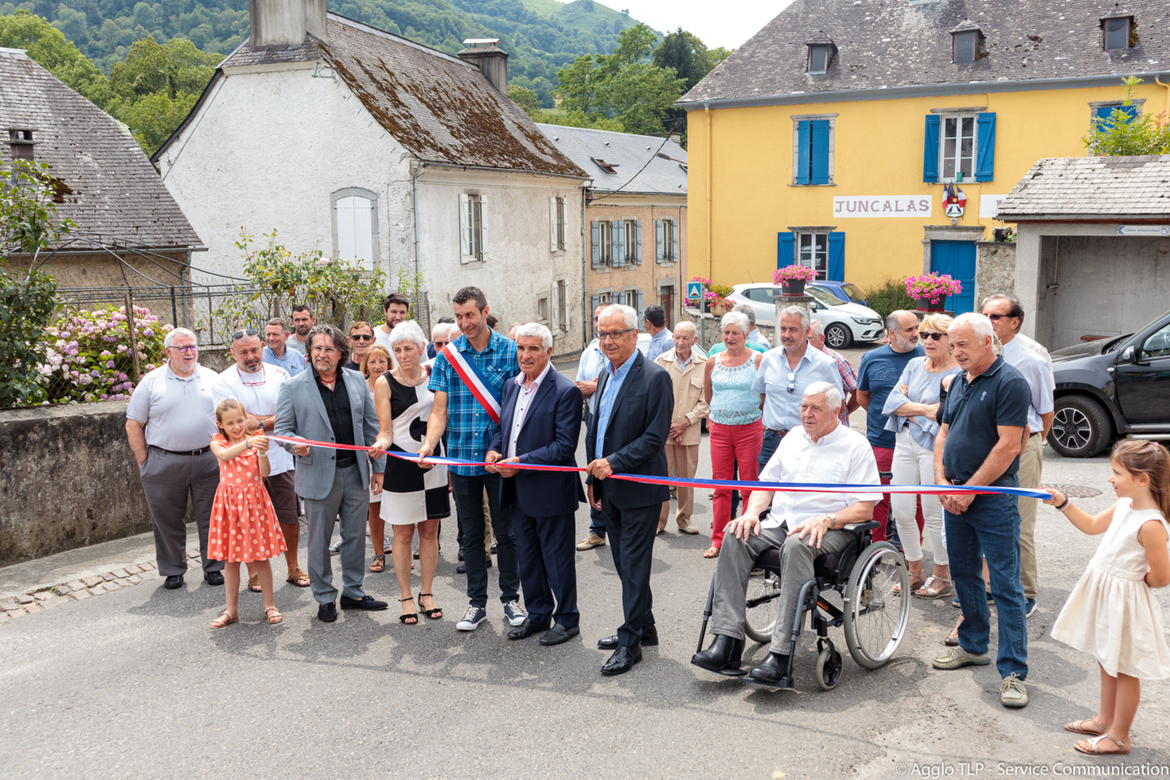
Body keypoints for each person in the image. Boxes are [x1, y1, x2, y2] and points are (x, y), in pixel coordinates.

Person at [691, 382, 880, 684]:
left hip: (833, 528)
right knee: (735, 535)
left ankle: (780, 654)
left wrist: (827, 519)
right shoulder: (793, 437)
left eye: (815, 408)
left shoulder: (856, 446)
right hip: (782, 521)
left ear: (836, 411)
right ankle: (727, 641)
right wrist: (751, 513)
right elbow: (766, 486)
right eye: (804, 407)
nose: (806, 414)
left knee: (796, 545)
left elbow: (865, 509)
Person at [931, 312, 1032, 709]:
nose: (955, 352)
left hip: (992, 499)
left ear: (988, 341)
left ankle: (1013, 672)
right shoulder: (958, 381)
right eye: (952, 345)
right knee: (964, 577)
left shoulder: (1011, 382)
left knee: (1005, 586)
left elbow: (1010, 446)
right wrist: (941, 482)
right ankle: (973, 646)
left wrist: (969, 491)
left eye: (962, 345)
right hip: (954, 496)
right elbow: (943, 433)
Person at [1044, 440, 1170, 756]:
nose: (1110, 479)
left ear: (1143, 479)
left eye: (1117, 473)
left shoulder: (1151, 524)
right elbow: (1090, 526)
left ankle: (1119, 736)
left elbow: (1162, 576)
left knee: (1125, 667)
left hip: (1127, 602)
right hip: (1108, 594)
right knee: (1106, 656)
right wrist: (1062, 503)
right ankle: (1104, 720)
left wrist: (1138, 578)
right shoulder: (1126, 505)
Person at [419, 286, 526, 632]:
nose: (464, 322)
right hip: (462, 461)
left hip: (500, 461)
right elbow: (439, 411)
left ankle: (511, 599)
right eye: (459, 316)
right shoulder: (448, 357)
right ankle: (475, 603)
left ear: (484, 311)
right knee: (470, 537)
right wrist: (429, 446)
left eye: (470, 315)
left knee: (507, 534)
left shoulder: (512, 352)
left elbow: (519, 409)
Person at [274, 324, 388, 623]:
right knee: (319, 541)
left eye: (328, 349)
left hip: (355, 472)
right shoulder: (293, 386)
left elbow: (370, 427)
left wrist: (379, 468)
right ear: (309, 352)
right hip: (317, 475)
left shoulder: (355, 380)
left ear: (341, 353)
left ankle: (353, 592)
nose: (321, 354)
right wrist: (292, 443)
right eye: (316, 348)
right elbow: (284, 430)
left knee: (353, 536)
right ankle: (325, 597)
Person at [585, 303, 673, 676]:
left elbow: (654, 438)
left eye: (615, 333)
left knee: (633, 566)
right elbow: (599, 432)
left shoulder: (655, 378)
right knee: (624, 565)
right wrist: (594, 480)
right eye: (603, 334)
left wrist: (614, 464)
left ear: (635, 335)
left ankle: (629, 642)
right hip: (610, 486)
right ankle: (645, 626)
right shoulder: (606, 375)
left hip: (640, 488)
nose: (607, 341)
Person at [486, 323, 586, 645]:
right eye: (520, 348)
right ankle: (539, 614)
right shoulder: (512, 386)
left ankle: (567, 619)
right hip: (516, 489)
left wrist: (519, 463)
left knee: (557, 562)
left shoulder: (564, 390)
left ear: (548, 351)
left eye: (533, 349)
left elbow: (563, 447)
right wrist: (495, 449)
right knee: (528, 558)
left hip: (550, 491)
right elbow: (504, 428)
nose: (525, 355)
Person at [125, 327, 224, 590]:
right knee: (167, 519)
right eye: (182, 347)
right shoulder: (151, 381)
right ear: (168, 351)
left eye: (192, 346)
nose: (189, 352)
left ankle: (214, 566)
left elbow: (228, 418)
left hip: (208, 459)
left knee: (213, 516)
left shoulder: (213, 379)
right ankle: (173, 570)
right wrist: (144, 462)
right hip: (164, 460)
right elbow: (134, 423)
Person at [213, 328, 308, 591]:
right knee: (248, 520)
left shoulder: (280, 375)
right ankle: (253, 571)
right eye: (243, 352)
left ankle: (293, 567)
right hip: (242, 465)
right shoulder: (223, 381)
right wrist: (268, 422)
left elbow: (293, 413)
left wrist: (262, 422)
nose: (250, 356)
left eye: (255, 349)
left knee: (288, 514)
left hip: (279, 456)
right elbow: (232, 425)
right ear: (233, 353)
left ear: (263, 346)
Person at [983, 293, 1054, 618]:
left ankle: (1025, 592)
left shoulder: (1031, 359)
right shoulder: (980, 352)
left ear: (1015, 321)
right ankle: (992, 585)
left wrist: (1030, 447)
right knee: (989, 518)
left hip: (1023, 445)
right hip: (987, 445)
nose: (989, 321)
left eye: (996, 316)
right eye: (985, 315)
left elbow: (1045, 413)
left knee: (1020, 522)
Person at [373, 323, 450, 624]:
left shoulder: (435, 374)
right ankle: (406, 596)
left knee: (429, 532)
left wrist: (430, 447)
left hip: (432, 463)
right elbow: (385, 431)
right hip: (402, 465)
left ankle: (427, 593)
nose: (403, 355)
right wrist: (379, 445)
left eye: (408, 348)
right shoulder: (384, 383)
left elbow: (440, 413)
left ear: (421, 347)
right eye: (397, 350)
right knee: (403, 534)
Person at [881, 314, 960, 599]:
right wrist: (925, 410)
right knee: (901, 509)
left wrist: (911, 408)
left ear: (951, 340)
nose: (927, 340)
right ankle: (915, 570)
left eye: (935, 335)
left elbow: (947, 417)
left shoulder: (957, 375)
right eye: (924, 334)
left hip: (934, 448)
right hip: (903, 443)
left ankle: (942, 575)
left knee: (934, 513)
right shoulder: (914, 365)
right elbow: (891, 402)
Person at [207, 399, 287, 628]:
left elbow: (265, 473)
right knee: (231, 560)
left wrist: (262, 452)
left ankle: (269, 605)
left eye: (240, 421)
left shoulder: (254, 440)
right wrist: (249, 443)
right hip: (229, 505)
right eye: (230, 423)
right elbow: (224, 456)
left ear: (246, 419)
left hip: (254, 504)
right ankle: (231, 610)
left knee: (260, 557)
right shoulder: (218, 441)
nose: (236, 426)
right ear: (220, 424)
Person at [855, 311, 925, 542]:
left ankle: (909, 551)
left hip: (917, 442)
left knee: (914, 500)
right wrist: (886, 418)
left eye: (916, 328)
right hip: (881, 440)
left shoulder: (926, 357)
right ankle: (877, 546)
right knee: (879, 497)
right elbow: (863, 396)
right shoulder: (872, 358)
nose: (916, 334)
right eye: (909, 330)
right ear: (892, 333)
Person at [751, 305, 842, 470]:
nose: (786, 335)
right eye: (783, 329)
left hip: (811, 440)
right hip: (773, 441)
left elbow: (837, 406)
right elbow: (763, 395)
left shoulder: (826, 364)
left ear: (806, 331)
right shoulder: (768, 359)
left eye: (793, 329)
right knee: (766, 494)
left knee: (805, 494)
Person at [703, 311, 764, 558]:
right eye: (726, 332)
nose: (730, 337)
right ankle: (718, 540)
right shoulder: (713, 361)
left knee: (749, 487)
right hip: (719, 429)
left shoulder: (759, 359)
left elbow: (764, 396)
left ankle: (746, 542)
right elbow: (709, 396)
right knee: (721, 487)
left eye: (735, 333)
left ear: (746, 334)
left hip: (749, 429)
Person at [654, 320, 707, 535]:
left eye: (685, 338)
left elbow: (707, 400)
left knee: (686, 478)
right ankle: (658, 521)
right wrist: (668, 425)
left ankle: (684, 519)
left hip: (690, 430)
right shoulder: (661, 362)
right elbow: (654, 398)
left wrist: (685, 422)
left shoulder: (705, 364)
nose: (680, 342)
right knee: (661, 478)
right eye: (677, 337)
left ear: (694, 340)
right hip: (664, 431)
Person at [575, 303, 610, 552]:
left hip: (617, 423)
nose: (598, 323)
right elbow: (578, 386)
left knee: (615, 472)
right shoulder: (589, 352)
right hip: (594, 418)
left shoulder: (621, 351)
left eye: (603, 319)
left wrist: (597, 385)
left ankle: (618, 525)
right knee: (593, 474)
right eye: (596, 318)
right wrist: (590, 386)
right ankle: (597, 530)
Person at [361, 344, 393, 574]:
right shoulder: (360, 389)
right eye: (372, 361)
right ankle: (379, 553)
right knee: (375, 506)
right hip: (370, 454)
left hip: (395, 451)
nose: (377, 366)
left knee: (399, 504)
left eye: (382, 361)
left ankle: (401, 549)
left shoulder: (397, 384)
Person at [808, 320, 857, 427]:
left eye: (808, 339)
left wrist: (844, 411)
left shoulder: (838, 362)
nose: (804, 343)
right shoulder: (801, 361)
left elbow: (857, 394)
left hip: (834, 428)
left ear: (821, 339)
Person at [373, 292, 410, 366]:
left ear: (407, 312)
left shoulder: (414, 337)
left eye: (402, 312)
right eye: (394, 312)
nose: (398, 317)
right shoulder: (372, 336)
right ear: (385, 311)